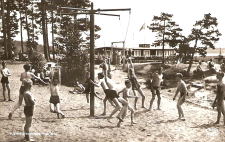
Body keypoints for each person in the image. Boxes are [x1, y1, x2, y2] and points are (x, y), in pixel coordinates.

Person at [102, 59, 129, 124]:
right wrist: (104, 66)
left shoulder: (111, 79)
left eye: (111, 73)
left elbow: (109, 69)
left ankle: (119, 115)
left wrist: (108, 62)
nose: (111, 74)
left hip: (115, 93)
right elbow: (105, 71)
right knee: (119, 106)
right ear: (108, 75)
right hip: (111, 93)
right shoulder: (106, 79)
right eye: (110, 74)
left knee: (126, 103)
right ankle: (110, 117)